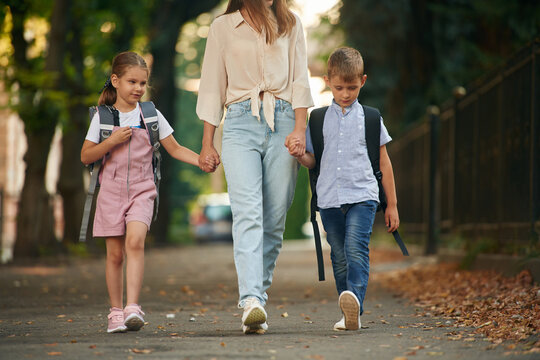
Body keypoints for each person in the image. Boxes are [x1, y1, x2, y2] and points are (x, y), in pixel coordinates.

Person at [196, 0, 314, 334]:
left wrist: (300, 130)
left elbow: (301, 80)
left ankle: (257, 296)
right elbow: (211, 87)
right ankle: (251, 300)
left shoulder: (291, 24)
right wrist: (207, 143)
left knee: (274, 218)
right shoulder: (223, 27)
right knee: (248, 212)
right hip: (237, 123)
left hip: (285, 118)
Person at [81, 51, 216, 334]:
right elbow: (86, 156)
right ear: (115, 81)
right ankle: (116, 312)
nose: (138, 89)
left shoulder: (151, 115)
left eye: (142, 83)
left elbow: (175, 148)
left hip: (143, 189)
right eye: (132, 82)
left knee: (135, 241)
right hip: (111, 193)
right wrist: (113, 140)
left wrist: (201, 160)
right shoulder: (104, 117)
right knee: (115, 255)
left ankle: (133, 307)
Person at [291, 47, 400, 331]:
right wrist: (300, 155)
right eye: (339, 87)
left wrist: (392, 205)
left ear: (363, 81)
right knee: (339, 257)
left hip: (362, 196)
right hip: (329, 200)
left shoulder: (372, 119)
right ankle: (348, 309)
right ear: (328, 81)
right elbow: (313, 161)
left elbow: (384, 164)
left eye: (352, 87)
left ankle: (356, 308)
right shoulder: (317, 119)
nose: (346, 94)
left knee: (355, 250)